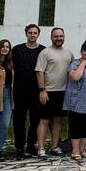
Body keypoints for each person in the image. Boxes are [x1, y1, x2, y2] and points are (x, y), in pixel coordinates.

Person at [35, 27, 74, 157]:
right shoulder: (45, 53)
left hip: (63, 92)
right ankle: (41, 148)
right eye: (56, 36)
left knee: (58, 120)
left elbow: (72, 71)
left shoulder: (69, 53)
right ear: (51, 37)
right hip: (48, 92)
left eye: (61, 36)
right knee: (44, 120)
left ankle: (54, 147)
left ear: (64, 37)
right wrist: (42, 90)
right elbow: (39, 72)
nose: (59, 38)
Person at [10, 24, 45, 157]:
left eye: (35, 33)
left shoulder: (43, 50)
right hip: (20, 90)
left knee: (35, 120)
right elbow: (11, 68)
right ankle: (19, 147)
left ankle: (31, 145)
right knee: (19, 120)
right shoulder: (17, 49)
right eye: (30, 32)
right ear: (26, 34)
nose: (32, 35)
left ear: (38, 34)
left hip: (36, 90)